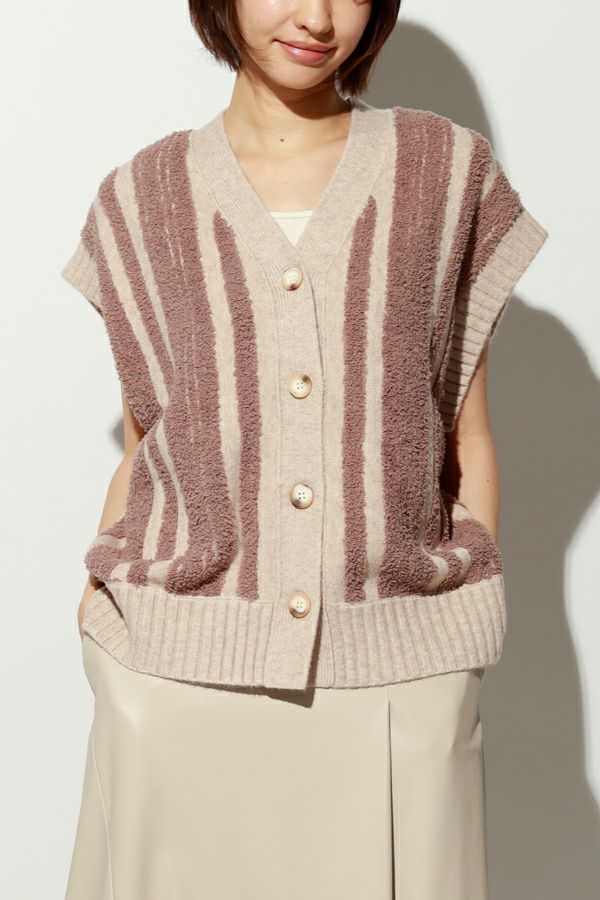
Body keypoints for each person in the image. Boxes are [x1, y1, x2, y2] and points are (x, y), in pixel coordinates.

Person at [61, 1, 549, 898]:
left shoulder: (445, 173)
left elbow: (467, 433)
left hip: (398, 677)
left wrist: (455, 647)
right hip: (174, 684)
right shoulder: (142, 198)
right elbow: (148, 439)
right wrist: (99, 620)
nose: (317, 18)